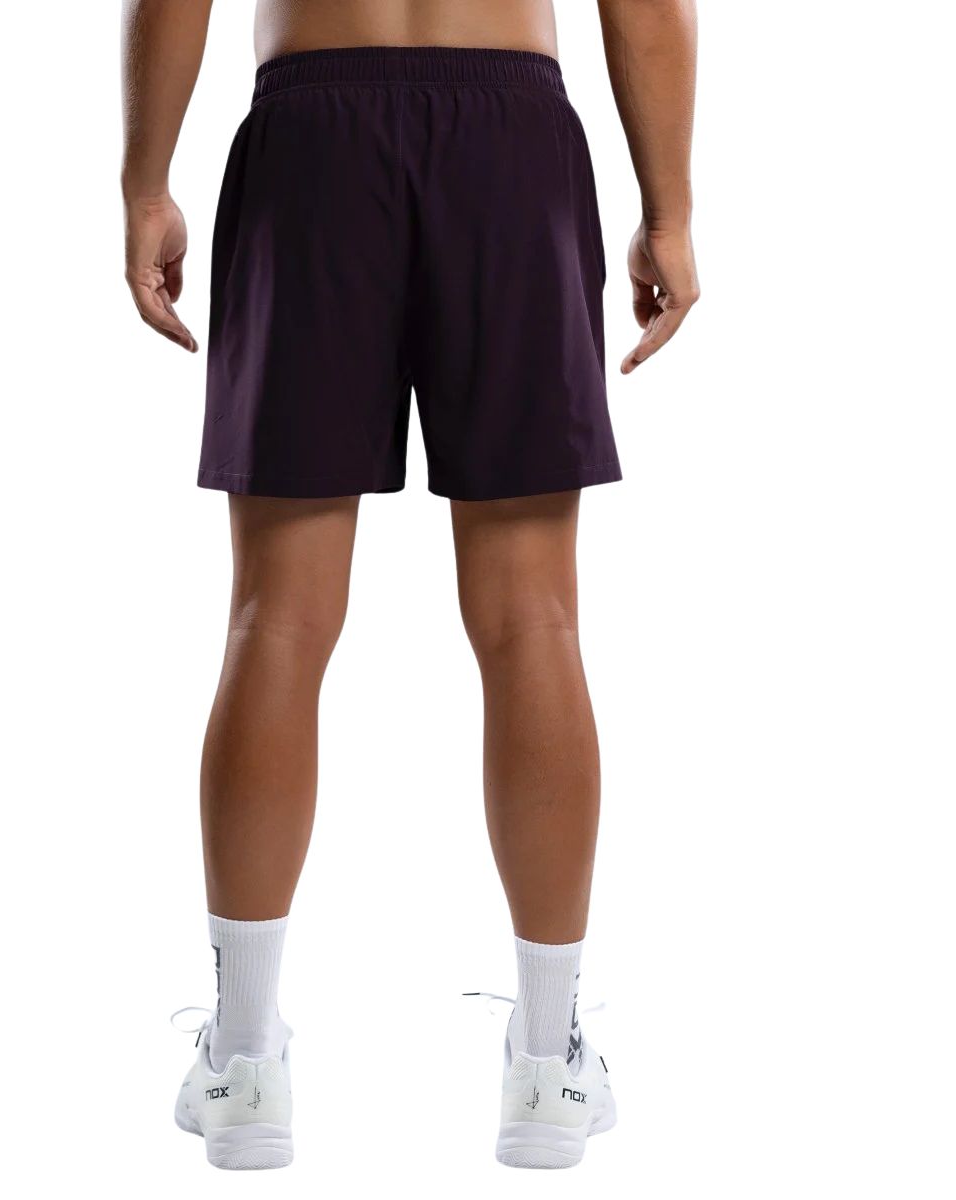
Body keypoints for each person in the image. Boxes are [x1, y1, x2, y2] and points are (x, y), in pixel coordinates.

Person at [122, 0, 698, 1171]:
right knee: (533, 617)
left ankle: (244, 1064)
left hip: (313, 136)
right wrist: (670, 209)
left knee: (275, 619)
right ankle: (548, 1066)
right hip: (510, 142)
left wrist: (145, 183)